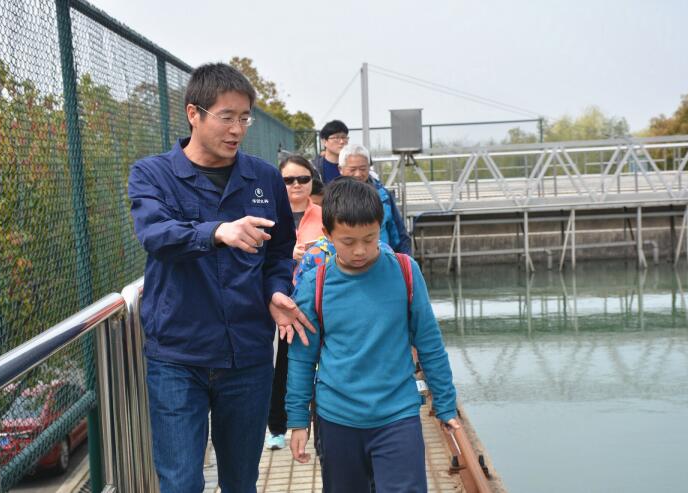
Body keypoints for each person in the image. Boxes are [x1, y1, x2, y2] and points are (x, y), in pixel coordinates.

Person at [127, 62, 313, 493]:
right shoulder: (153, 174)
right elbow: (155, 234)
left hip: (247, 355)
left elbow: (280, 252)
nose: (237, 129)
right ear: (194, 113)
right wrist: (216, 232)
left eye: (245, 118)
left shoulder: (263, 177)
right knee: (180, 482)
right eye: (226, 117)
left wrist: (276, 292)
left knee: (241, 481)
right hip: (178, 356)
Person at [285, 178, 459, 492]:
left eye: (370, 238)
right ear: (327, 235)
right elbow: (301, 357)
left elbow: (429, 342)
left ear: (381, 227)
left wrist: (446, 404)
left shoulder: (405, 272)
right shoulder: (315, 284)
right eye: (348, 241)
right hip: (337, 418)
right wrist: (297, 420)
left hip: (398, 414)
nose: (360, 250)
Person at [266, 155, 324, 450]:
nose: (296, 185)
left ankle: (319, 426)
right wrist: (290, 255)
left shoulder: (325, 215)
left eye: (303, 178)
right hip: (279, 300)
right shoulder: (268, 215)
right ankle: (277, 426)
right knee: (282, 364)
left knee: (316, 362)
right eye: (288, 180)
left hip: (317, 299)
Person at [338, 143, 411, 254]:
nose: (358, 174)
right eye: (352, 169)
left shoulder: (383, 195)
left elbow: (399, 233)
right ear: (340, 169)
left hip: (382, 257)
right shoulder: (334, 197)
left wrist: (404, 260)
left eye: (363, 169)